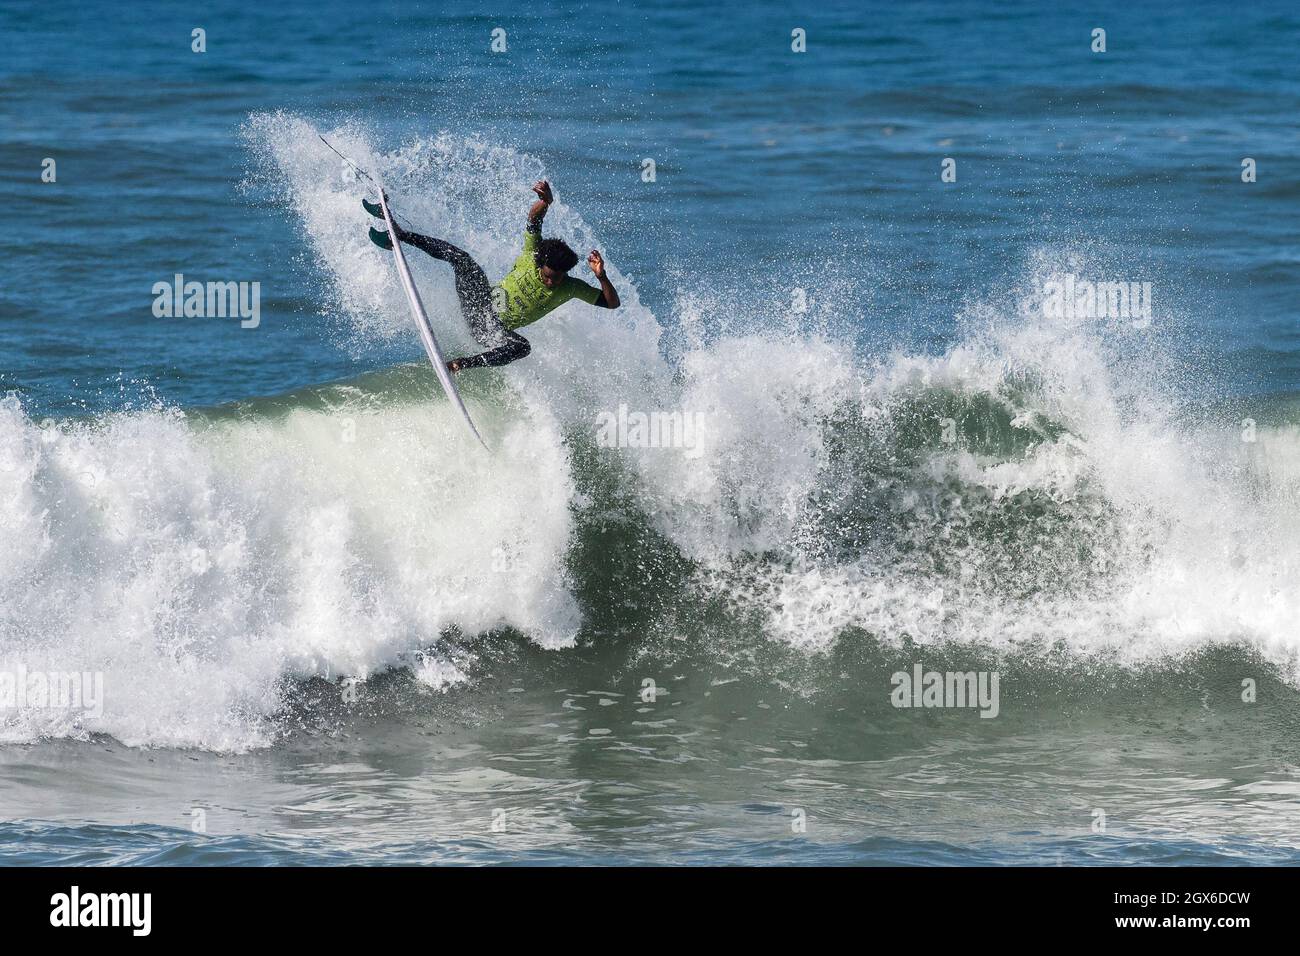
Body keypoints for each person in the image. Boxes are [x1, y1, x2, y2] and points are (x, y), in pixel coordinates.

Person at [368, 180, 620, 372]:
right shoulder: (532, 255)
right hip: (479, 303)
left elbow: (611, 303)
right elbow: (534, 221)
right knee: (464, 261)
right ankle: (399, 235)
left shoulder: (571, 287)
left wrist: (602, 277)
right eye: (549, 276)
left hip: (490, 330)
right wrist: (546, 203)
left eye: (558, 278)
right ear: (542, 263)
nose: (553, 282)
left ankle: (460, 365)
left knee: (522, 347)